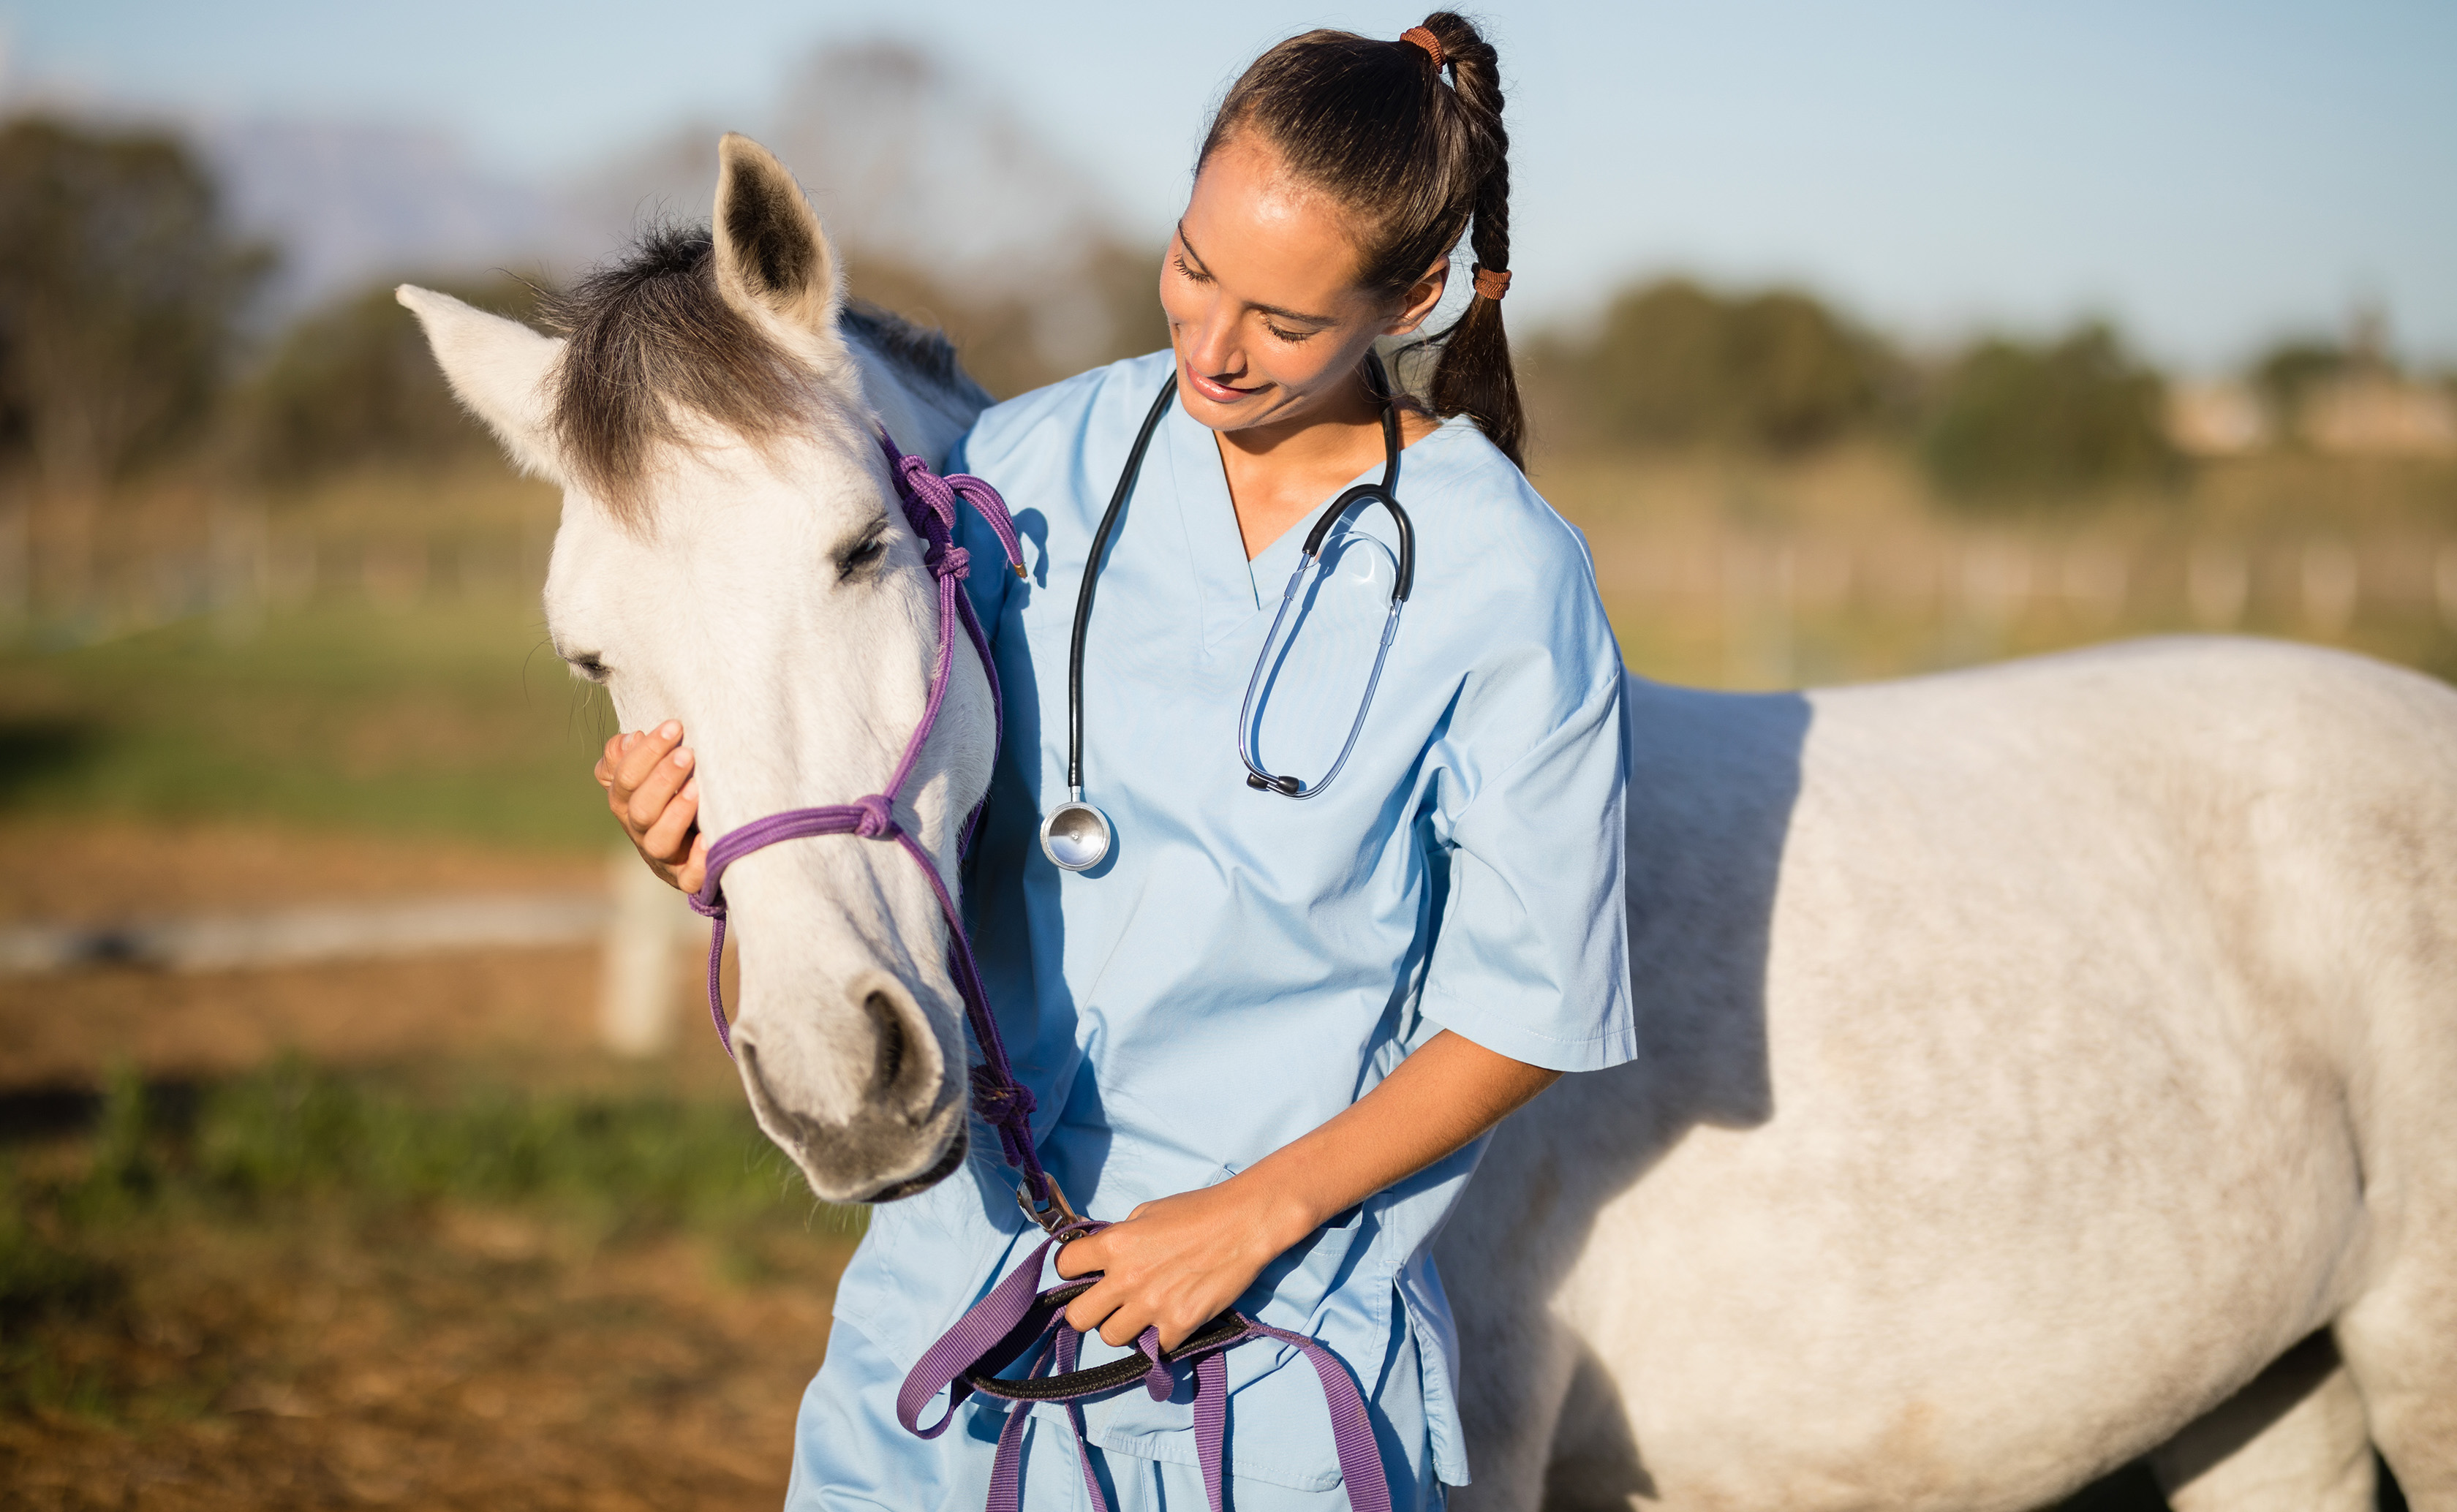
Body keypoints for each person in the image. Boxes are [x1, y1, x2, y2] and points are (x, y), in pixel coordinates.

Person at [597, 15, 1631, 1511]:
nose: (1211, 346)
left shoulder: (1504, 577)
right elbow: (884, 793)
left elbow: (1529, 1004)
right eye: (1195, 266)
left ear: (1410, 297)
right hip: (951, 1326)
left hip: (1264, 1347)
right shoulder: (1015, 470)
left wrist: (1244, 1216)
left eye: (1281, 318)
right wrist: (703, 843)